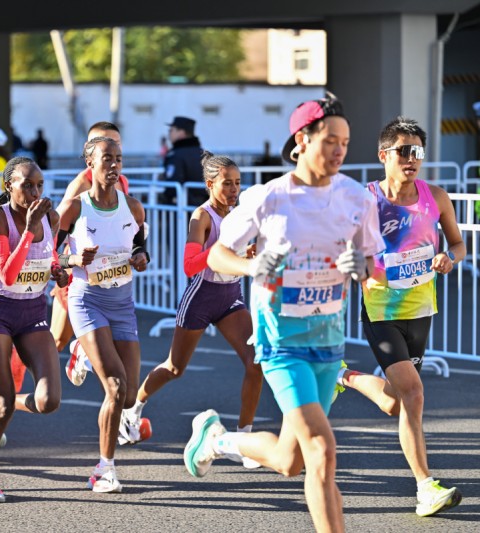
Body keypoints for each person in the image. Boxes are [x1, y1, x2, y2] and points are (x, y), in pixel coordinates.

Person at [183, 95, 384, 533]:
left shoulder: (355, 198)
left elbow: (375, 264)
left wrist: (364, 268)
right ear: (302, 139)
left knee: (290, 461)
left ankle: (218, 439)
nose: (339, 151)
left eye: (345, 143)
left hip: (328, 341)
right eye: (330, 140)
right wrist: (252, 266)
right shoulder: (268, 198)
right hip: (281, 341)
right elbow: (215, 254)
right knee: (322, 450)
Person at [332, 117, 465, 517]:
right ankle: (426, 486)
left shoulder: (436, 197)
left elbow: (458, 243)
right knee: (415, 394)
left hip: (421, 309)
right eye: (404, 151)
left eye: (418, 152)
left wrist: (449, 258)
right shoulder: (364, 199)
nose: (412, 159)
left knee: (396, 403)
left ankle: (345, 376)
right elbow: (342, 248)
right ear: (383, 155)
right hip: (380, 310)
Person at [119, 153, 263, 461]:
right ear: (211, 184)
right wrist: (218, 253)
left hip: (230, 296)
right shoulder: (202, 216)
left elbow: (240, 253)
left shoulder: (240, 214)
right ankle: (133, 409)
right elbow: (189, 265)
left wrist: (249, 253)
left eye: (238, 183)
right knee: (175, 367)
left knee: (256, 362)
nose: (234, 189)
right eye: (227, 183)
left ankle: (244, 440)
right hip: (201, 296)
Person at [0, 157, 68, 503]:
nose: (35, 192)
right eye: (27, 185)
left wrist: (61, 271)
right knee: (3, 400)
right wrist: (28, 229)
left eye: (39, 185)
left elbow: (52, 258)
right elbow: (7, 275)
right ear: (9, 186)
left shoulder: (51, 218)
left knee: (49, 400)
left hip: (33, 312)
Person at [59, 135, 149, 493]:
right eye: (106, 159)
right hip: (87, 300)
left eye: (118, 159)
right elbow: (51, 258)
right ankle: (104, 469)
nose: (113, 165)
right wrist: (71, 260)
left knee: (128, 396)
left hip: (123, 303)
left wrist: (141, 259)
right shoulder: (74, 209)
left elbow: (141, 251)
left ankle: (83, 350)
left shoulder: (135, 208)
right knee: (114, 387)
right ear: (90, 164)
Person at [55, 122, 130, 387]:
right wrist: (63, 266)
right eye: (104, 144)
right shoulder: (79, 187)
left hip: (111, 277)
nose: (111, 150)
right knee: (56, 340)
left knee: (111, 353)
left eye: (116, 145)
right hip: (79, 275)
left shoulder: (122, 181)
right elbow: (58, 227)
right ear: (90, 152)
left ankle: (118, 407)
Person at [162, 116, 205, 205]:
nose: (169, 134)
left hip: (183, 209)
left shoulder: (176, 155)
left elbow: (172, 186)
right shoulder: (203, 153)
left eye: (171, 130)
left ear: (181, 133)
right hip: (205, 207)